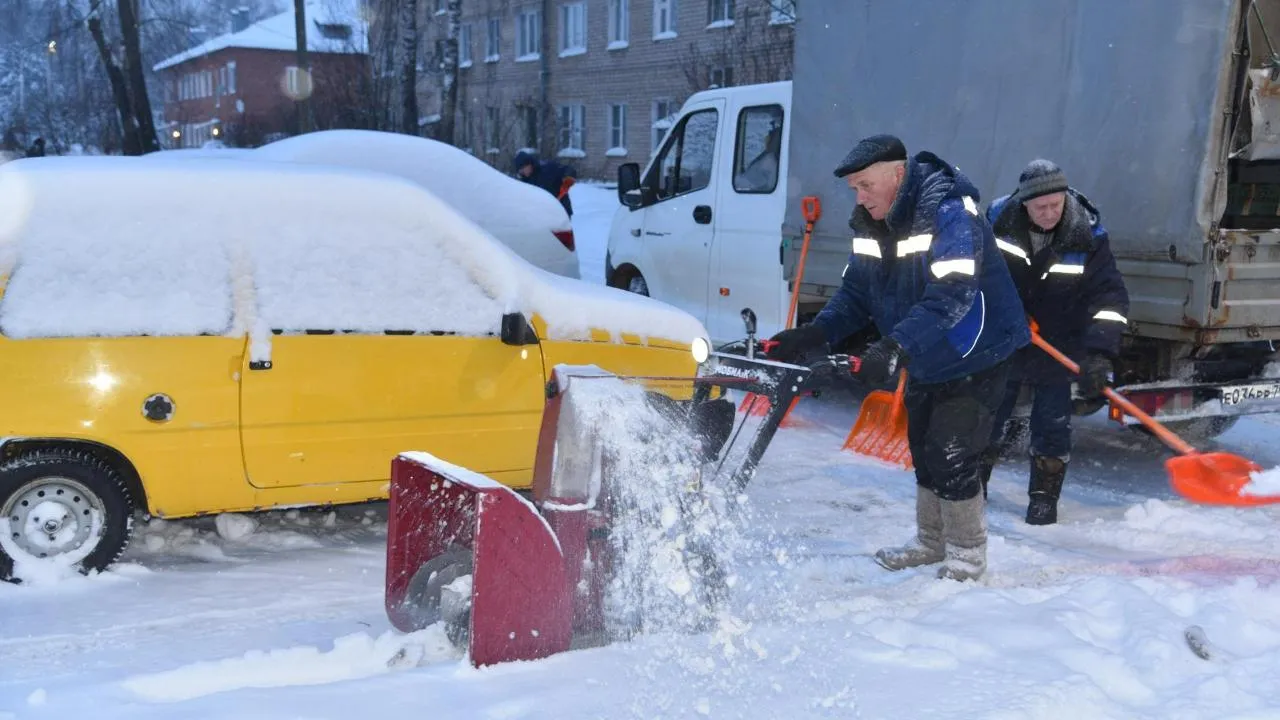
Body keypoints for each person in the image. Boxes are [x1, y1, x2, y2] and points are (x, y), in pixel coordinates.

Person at [767, 134, 1030, 581]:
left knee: (952, 451)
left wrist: (894, 346)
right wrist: (815, 332)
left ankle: (966, 554)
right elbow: (856, 294)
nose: (860, 196)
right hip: (927, 348)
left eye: (866, 185)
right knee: (924, 452)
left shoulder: (951, 214)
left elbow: (953, 296)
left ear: (898, 174)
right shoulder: (872, 224)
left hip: (976, 350)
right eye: (854, 188)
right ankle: (931, 543)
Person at [979, 159, 1130, 525]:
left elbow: (1109, 297)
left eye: (1056, 204)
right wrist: (1008, 314)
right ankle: (971, 489)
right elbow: (979, 280)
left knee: (1052, 424)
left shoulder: (1087, 235)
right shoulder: (998, 224)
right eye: (1041, 206)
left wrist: (1098, 354)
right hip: (1006, 338)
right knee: (985, 416)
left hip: (1061, 342)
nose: (1049, 213)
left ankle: (1044, 498)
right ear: (1024, 203)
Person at [513, 150, 576, 216]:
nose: (522, 172)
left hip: (561, 210)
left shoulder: (548, 168)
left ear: (529, 164)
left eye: (523, 168)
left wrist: (568, 176)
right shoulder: (525, 181)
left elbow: (568, 169)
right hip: (543, 215)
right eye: (520, 170)